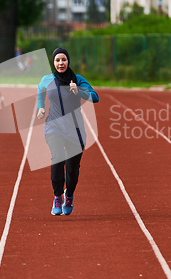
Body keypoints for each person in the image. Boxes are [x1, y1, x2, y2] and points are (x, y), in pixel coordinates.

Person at [37, 47, 99, 216]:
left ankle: (69, 195)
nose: (61, 63)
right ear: (53, 62)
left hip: (75, 129)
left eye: (63, 59)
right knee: (57, 158)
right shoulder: (47, 80)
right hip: (53, 127)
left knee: (72, 168)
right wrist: (41, 107)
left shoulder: (77, 80)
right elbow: (40, 91)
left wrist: (78, 91)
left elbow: (95, 97)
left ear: (68, 61)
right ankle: (57, 196)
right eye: (57, 60)